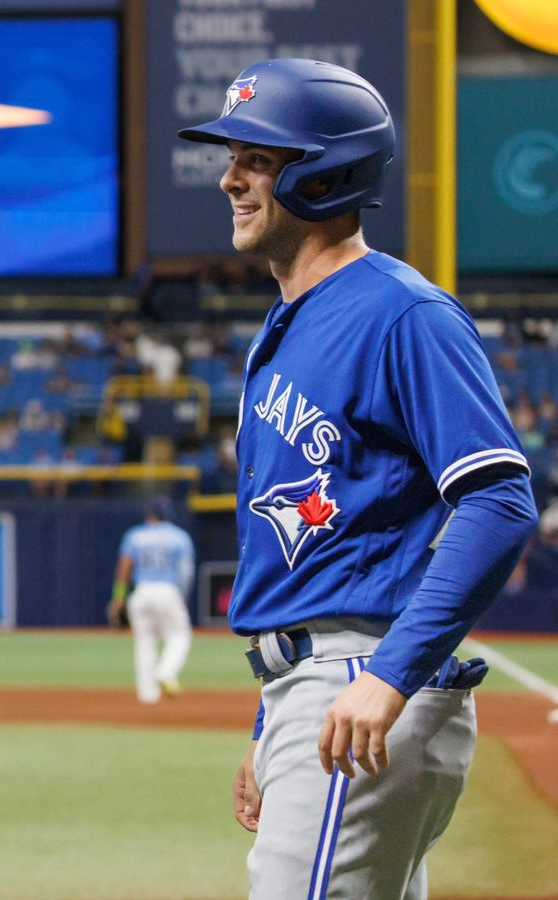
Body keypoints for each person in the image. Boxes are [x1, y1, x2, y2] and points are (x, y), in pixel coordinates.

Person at [179, 58, 537, 898]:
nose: (230, 178)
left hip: (363, 678)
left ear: (325, 170)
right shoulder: (293, 322)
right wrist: (274, 715)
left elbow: (498, 499)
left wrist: (387, 674)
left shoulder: (401, 313)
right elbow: (314, 557)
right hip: (320, 683)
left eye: (257, 158)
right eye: (233, 155)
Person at [107, 497, 194, 703]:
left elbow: (125, 568)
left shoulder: (135, 535)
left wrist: (118, 598)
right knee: (180, 635)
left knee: (145, 642)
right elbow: (186, 571)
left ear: (149, 514)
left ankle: (148, 695)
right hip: (168, 590)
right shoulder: (180, 537)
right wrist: (182, 596)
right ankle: (166, 671)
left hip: (142, 592)